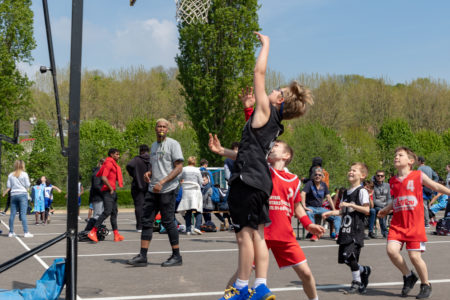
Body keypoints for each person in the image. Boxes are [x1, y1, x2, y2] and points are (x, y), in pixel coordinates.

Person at [209, 31, 314, 300]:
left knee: (244, 236)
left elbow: (259, 74)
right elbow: (250, 152)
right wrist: (223, 151)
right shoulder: (273, 125)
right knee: (257, 235)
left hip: (247, 182)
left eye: (276, 90)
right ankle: (261, 286)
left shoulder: (265, 111)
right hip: (260, 182)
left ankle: (242, 286)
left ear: (278, 101)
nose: (271, 90)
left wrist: (266, 45)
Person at [224, 140, 324, 300]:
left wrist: (309, 224)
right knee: (243, 272)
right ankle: (229, 297)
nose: (271, 148)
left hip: (284, 234)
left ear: (286, 155)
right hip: (262, 234)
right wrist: (223, 151)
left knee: (306, 273)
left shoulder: (294, 180)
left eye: (276, 146)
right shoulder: (262, 171)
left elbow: (297, 206)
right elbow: (246, 157)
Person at [378, 147, 450, 299]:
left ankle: (426, 284)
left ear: (411, 161)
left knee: (414, 257)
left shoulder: (418, 175)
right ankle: (409, 275)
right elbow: (396, 200)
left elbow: (436, 186)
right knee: (391, 251)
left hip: (414, 225)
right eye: (395, 155)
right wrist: (386, 209)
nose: (396, 157)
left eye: (400, 155)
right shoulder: (393, 181)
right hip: (398, 223)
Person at [127, 118, 184, 267]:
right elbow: (156, 165)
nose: (161, 129)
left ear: (168, 129)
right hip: (153, 189)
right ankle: (143, 256)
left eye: (164, 126)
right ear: (155, 128)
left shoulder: (173, 144)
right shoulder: (153, 146)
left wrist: (162, 182)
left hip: (167, 189)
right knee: (146, 221)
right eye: (159, 126)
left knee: (167, 221)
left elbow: (179, 168)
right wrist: (149, 173)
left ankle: (177, 256)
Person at [322, 162, 372, 294]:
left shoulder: (362, 191)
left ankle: (356, 281)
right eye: (350, 170)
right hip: (345, 230)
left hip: (355, 230)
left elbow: (367, 210)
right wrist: (329, 213)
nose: (350, 172)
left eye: (354, 170)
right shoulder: (345, 192)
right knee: (345, 259)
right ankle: (364, 270)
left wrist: (352, 205)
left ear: (362, 175)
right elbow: (342, 211)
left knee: (350, 256)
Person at [88, 148, 124, 243]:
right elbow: (103, 177)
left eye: (118, 154)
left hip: (112, 191)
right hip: (108, 191)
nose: (118, 156)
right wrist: (111, 188)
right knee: (107, 212)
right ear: (111, 154)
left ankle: (116, 235)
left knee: (114, 212)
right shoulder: (108, 163)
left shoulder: (113, 164)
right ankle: (93, 231)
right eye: (117, 154)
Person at [301, 167, 341, 241]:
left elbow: (328, 197)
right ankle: (314, 234)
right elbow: (303, 193)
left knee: (337, 216)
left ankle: (337, 234)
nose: (317, 176)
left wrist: (333, 209)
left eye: (319, 175)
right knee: (309, 213)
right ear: (313, 176)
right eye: (316, 175)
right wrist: (304, 206)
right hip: (311, 207)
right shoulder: (310, 183)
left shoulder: (324, 185)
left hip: (320, 208)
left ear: (322, 177)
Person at [126, 144, 152, 232]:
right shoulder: (152, 159)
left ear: (140, 150)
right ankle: (148, 224)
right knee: (149, 206)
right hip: (149, 185)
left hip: (137, 185)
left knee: (139, 206)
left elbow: (128, 165)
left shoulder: (136, 159)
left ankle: (139, 226)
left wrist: (134, 174)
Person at [177, 156, 203, 235]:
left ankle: (188, 229)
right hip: (195, 192)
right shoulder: (197, 170)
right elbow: (201, 182)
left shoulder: (184, 169)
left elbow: (178, 177)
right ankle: (197, 227)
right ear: (194, 162)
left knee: (188, 211)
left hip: (186, 192)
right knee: (198, 210)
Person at [7, 160, 33, 238]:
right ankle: (26, 232)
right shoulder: (24, 174)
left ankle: (11, 232)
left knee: (12, 214)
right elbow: (27, 185)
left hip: (13, 194)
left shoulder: (10, 175)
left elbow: (9, 186)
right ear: (23, 166)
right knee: (23, 214)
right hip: (22, 194)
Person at [368, 170, 391, 238]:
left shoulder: (387, 185)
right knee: (381, 211)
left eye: (382, 176)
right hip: (377, 206)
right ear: (375, 176)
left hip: (387, 205)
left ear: (384, 177)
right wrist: (384, 207)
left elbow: (389, 197)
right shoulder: (373, 186)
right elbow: (374, 200)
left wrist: (388, 206)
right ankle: (385, 232)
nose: (380, 177)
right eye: (378, 175)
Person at [417, 156, 439, 228]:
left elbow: (417, 179)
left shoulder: (419, 169)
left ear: (420, 161)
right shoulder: (429, 168)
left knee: (424, 206)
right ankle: (432, 220)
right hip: (430, 189)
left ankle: (426, 223)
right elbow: (436, 177)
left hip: (423, 189)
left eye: (417, 161)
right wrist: (432, 183)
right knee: (429, 206)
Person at [84, 159, 104, 232]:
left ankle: (98, 230)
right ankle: (88, 231)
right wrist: (104, 192)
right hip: (97, 197)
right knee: (97, 215)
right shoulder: (97, 173)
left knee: (100, 215)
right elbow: (96, 186)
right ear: (101, 164)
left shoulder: (100, 172)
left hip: (99, 197)